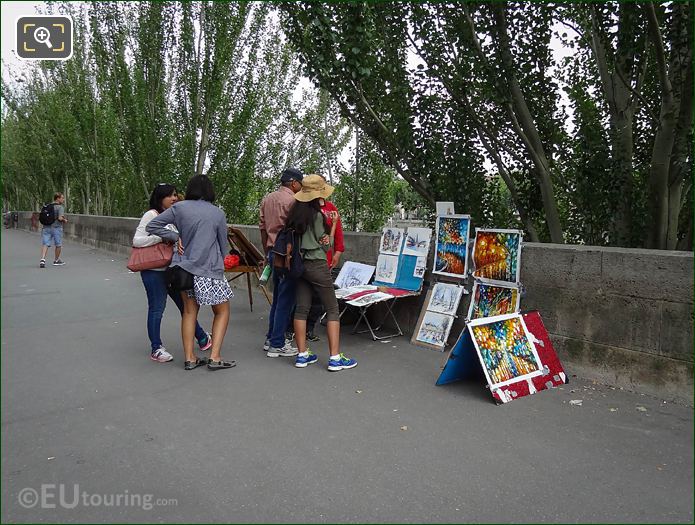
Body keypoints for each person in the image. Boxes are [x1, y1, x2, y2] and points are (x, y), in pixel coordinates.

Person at [146, 175, 235, 371]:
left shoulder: (180, 208)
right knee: (222, 311)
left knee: (188, 312)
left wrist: (176, 236)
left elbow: (151, 226)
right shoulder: (217, 213)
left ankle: (190, 358)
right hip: (209, 270)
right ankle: (215, 356)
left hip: (184, 269)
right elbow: (222, 245)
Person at [133, 184, 212, 363]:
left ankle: (202, 337)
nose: (174, 198)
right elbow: (137, 241)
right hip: (153, 271)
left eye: (175, 195)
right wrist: (162, 237)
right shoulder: (151, 215)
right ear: (160, 198)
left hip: (172, 270)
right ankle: (156, 348)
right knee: (157, 309)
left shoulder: (175, 215)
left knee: (186, 308)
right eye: (170, 195)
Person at [288, 174, 357, 371]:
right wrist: (333, 224)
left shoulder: (294, 215)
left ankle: (302, 355)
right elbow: (326, 245)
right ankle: (335, 358)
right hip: (317, 264)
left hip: (299, 265)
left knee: (301, 309)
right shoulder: (318, 216)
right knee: (333, 308)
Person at [259, 167, 303, 358]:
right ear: (294, 183)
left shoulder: (267, 199)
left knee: (277, 297)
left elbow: (262, 228)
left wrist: (267, 250)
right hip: (287, 255)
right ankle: (277, 342)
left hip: (272, 252)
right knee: (286, 299)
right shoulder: (293, 201)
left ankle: (271, 337)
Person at [302, 174, 345, 342]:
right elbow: (326, 240)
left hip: (323, 259)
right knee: (310, 301)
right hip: (315, 258)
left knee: (317, 299)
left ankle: (309, 329)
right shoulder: (306, 210)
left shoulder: (331, 208)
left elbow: (338, 232)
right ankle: (298, 329)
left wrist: (338, 252)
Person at [39, 192, 68, 268]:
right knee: (58, 244)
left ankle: (42, 259)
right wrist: (64, 220)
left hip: (46, 227)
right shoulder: (60, 207)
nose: (63, 199)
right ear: (58, 198)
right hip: (56, 227)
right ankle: (56, 260)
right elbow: (60, 218)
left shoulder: (48, 206)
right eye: (62, 198)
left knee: (45, 243)